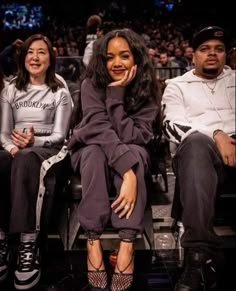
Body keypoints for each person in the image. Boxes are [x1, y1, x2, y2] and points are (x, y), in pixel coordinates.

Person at [68, 28, 160, 291]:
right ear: (101, 60)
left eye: (124, 56)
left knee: (136, 153)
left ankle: (127, 243)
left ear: (136, 59)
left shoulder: (147, 89)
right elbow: (97, 127)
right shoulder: (89, 84)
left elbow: (134, 135)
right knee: (97, 151)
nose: (117, 63)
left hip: (131, 149)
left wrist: (116, 96)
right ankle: (92, 240)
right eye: (110, 57)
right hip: (89, 149)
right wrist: (128, 173)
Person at [162, 26, 236, 291]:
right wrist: (217, 134)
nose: (212, 54)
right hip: (201, 153)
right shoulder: (177, 85)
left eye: (218, 49)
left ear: (227, 54)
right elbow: (171, 125)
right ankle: (198, 258)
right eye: (205, 49)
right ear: (193, 55)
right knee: (194, 144)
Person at [0, 33, 72, 290]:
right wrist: (10, 147)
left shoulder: (59, 91)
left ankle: (29, 245)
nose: (35, 57)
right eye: (31, 52)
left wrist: (33, 143)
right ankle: (3, 240)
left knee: (27, 160)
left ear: (50, 57)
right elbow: (3, 132)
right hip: (16, 147)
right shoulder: (10, 88)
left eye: (41, 52)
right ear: (23, 56)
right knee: (4, 161)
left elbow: (60, 136)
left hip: (48, 148)